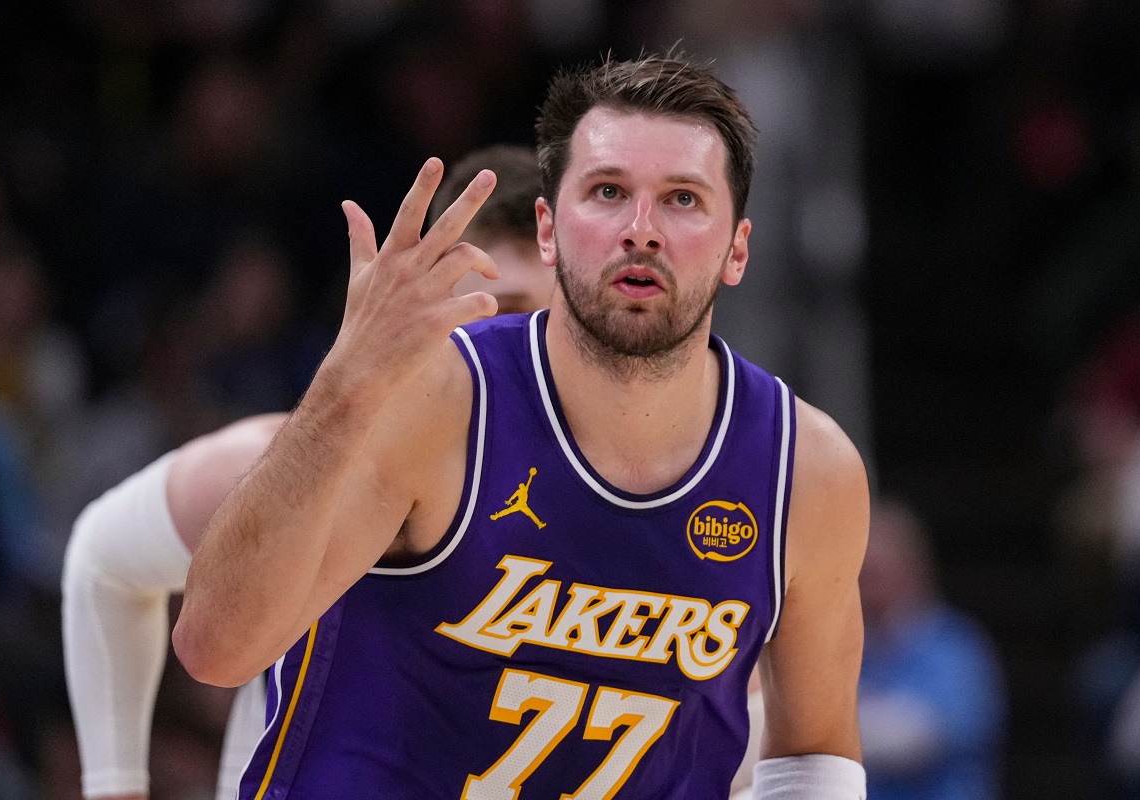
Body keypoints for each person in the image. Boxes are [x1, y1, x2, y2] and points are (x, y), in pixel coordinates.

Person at [173, 53, 870, 800]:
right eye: (608, 192)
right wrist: (343, 385)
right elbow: (214, 649)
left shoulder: (805, 470)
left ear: (737, 248)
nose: (642, 230)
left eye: (682, 200)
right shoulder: (431, 397)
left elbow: (813, 756)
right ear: (547, 229)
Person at [61, 144, 553, 800]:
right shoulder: (290, 476)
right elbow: (102, 559)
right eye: (483, 314)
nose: (503, 343)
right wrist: (114, 784)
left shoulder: (628, 501)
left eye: (531, 318)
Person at [857, 500, 1005, 800]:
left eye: (876, 573)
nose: (866, 589)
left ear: (913, 569)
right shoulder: (850, 651)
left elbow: (918, 740)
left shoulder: (955, 647)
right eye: (860, 576)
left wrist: (842, 726)